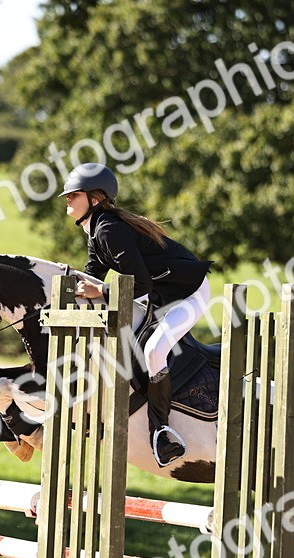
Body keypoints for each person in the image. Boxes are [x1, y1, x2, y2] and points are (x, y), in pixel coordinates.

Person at [60, 162, 212, 467]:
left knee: (155, 351)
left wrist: (100, 293)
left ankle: (162, 431)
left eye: (73, 194)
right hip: (160, 295)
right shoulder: (96, 230)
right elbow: (92, 275)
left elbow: (138, 284)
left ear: (95, 197)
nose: (67, 199)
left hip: (187, 293)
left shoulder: (109, 229)